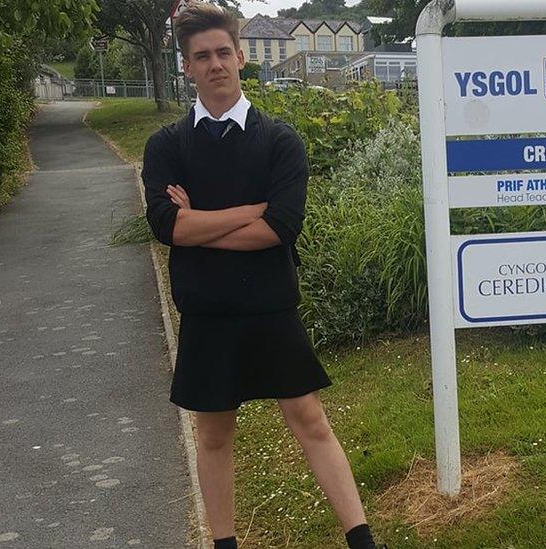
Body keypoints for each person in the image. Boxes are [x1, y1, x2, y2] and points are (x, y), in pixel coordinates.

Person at [141, 3, 383, 548]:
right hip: (205, 312)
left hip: (271, 306)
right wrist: (249, 211)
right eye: (201, 56)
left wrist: (198, 222)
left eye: (223, 52)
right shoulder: (167, 147)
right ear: (187, 66)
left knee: (310, 420)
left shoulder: (280, 141)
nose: (215, 64)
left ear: (242, 56)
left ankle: (362, 540)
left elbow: (281, 228)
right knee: (213, 435)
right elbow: (165, 226)